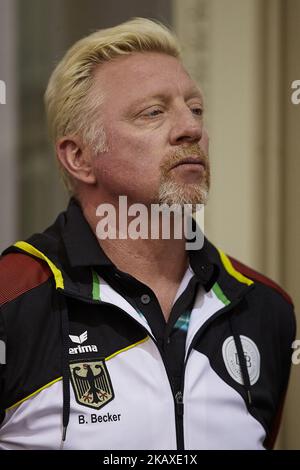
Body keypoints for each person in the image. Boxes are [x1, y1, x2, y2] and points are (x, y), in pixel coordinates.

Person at [0, 18, 296, 450]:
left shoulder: (265, 307)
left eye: (195, 109)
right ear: (79, 157)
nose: (191, 129)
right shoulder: (13, 296)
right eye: (153, 112)